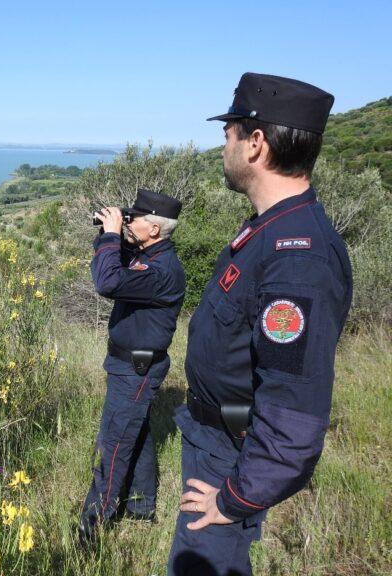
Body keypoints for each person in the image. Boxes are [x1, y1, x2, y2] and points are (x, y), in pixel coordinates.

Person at [167, 73, 353, 575]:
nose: (222, 145)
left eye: (228, 133)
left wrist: (233, 500)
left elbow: (294, 420)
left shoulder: (299, 258)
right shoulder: (269, 229)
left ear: (255, 143)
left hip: (230, 459)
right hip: (215, 444)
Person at [80, 189, 186, 543]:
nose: (129, 222)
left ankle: (91, 529)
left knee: (112, 445)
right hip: (128, 366)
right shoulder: (148, 257)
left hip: (137, 370)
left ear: (154, 229)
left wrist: (112, 235)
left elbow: (107, 281)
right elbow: (115, 262)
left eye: (135, 219)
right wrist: (108, 233)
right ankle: (141, 508)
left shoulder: (161, 270)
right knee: (135, 435)